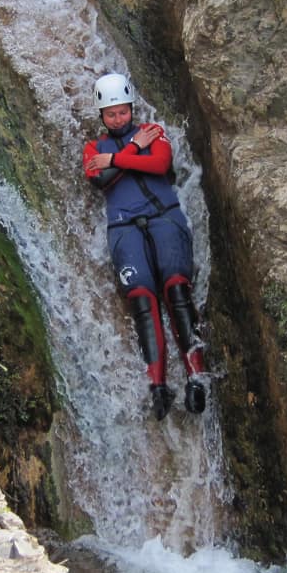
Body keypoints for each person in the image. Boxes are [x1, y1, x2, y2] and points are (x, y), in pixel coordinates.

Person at [82, 73, 208, 420]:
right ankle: (158, 386)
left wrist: (119, 159)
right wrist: (133, 148)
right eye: (111, 114)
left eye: (123, 112)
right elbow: (98, 179)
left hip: (164, 216)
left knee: (177, 289)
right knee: (141, 297)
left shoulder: (154, 132)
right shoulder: (95, 149)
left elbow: (160, 165)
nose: (118, 119)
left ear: (131, 109)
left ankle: (197, 377)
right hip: (124, 227)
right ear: (102, 116)